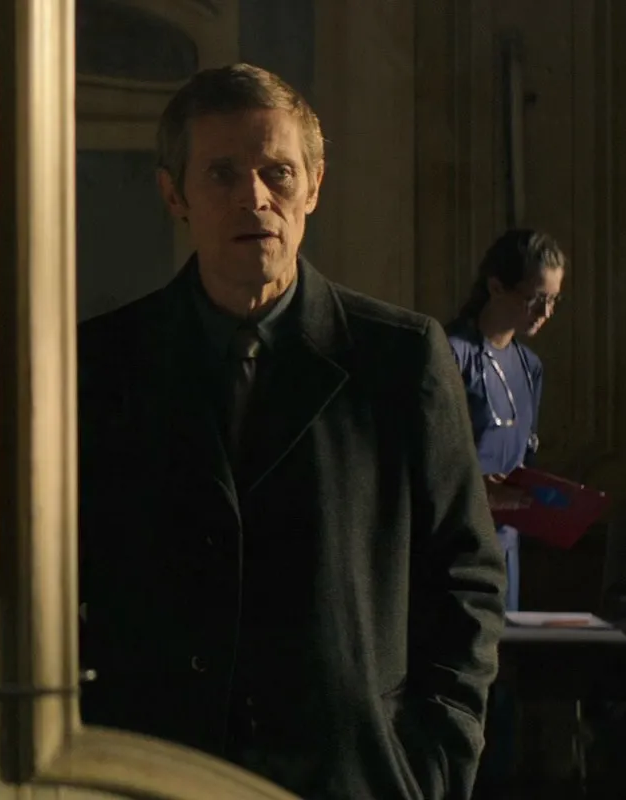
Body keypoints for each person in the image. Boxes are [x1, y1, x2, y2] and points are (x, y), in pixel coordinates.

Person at [77, 63, 505, 799]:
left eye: (277, 172)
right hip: (151, 775)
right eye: (222, 174)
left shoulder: (400, 358)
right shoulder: (104, 362)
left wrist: (432, 761)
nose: (254, 197)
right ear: (174, 195)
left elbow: (465, 574)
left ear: (313, 186)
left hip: (353, 776)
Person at [447, 229, 565, 611]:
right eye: (536, 299)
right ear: (496, 287)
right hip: (454, 548)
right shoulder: (451, 355)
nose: (545, 313)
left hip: (507, 545)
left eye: (553, 300)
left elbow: (525, 459)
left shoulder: (529, 367)